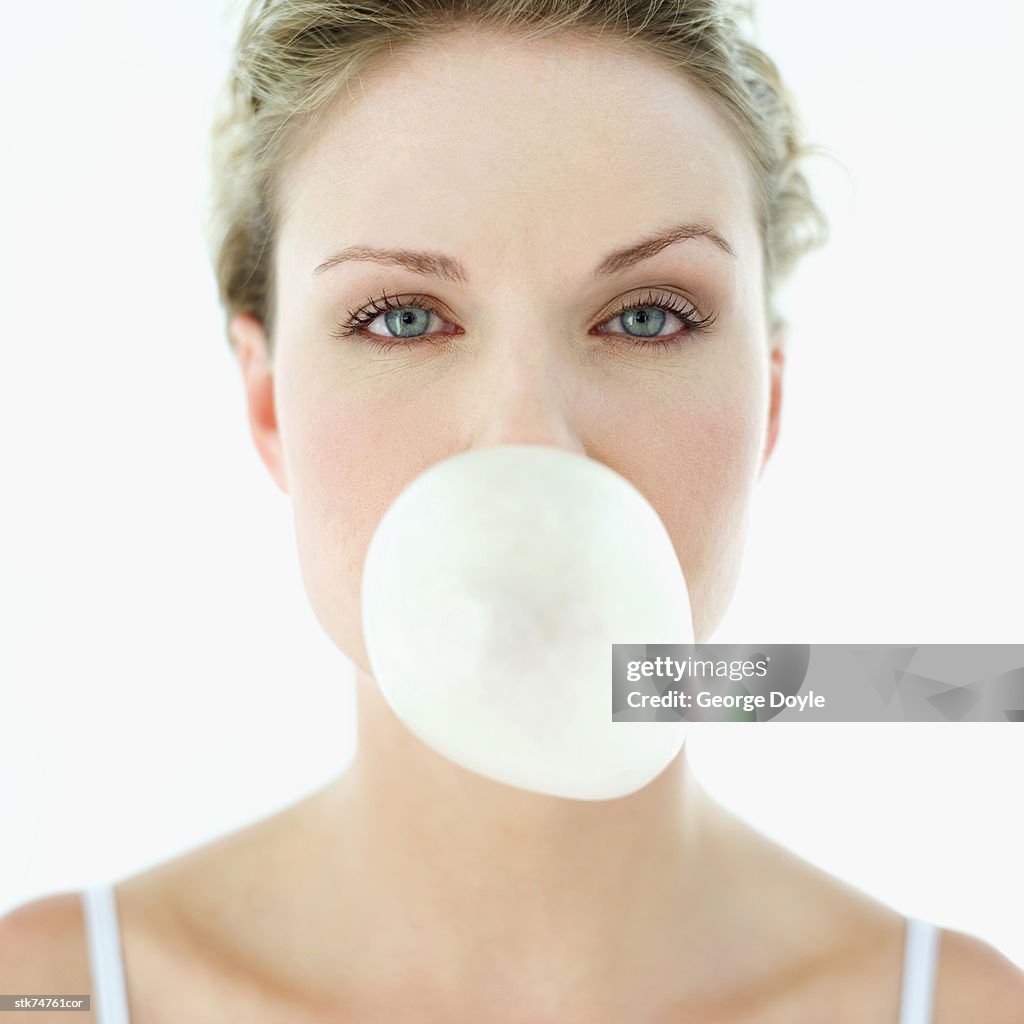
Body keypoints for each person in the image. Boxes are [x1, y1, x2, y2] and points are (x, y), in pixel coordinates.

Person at [2, 0, 1023, 1020]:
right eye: (402, 318)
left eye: (647, 316)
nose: (531, 441)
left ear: (767, 402)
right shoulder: (47, 993)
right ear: (269, 403)